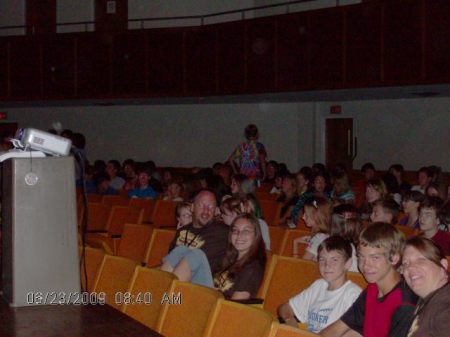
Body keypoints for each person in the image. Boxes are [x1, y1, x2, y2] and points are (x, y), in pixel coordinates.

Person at [320, 223, 418, 337]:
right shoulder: (373, 288)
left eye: (375, 258)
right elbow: (339, 327)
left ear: (394, 258)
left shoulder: (405, 304)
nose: (365, 265)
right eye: (361, 257)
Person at [162, 213, 266, 300]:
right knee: (182, 250)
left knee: (197, 255)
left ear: (256, 235)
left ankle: (165, 299)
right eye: (235, 230)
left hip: (217, 308)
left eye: (246, 231)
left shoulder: (253, 268)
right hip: (209, 296)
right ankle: (160, 291)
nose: (239, 235)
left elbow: (237, 305)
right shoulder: (229, 257)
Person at [278, 236, 362, 333]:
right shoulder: (319, 285)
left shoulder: (353, 295)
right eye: (322, 259)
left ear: (348, 263)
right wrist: (290, 321)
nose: (327, 265)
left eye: (334, 260)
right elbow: (285, 308)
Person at [162, 190, 229, 275]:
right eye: (201, 206)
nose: (206, 211)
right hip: (175, 277)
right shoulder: (182, 231)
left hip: (198, 282)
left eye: (210, 207)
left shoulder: (222, 232)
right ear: (192, 207)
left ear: (216, 211)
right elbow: (169, 261)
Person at [400, 237, 449, 337]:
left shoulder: (445, 308)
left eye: (420, 260)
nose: (410, 267)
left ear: (443, 265)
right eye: (405, 264)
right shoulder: (429, 297)